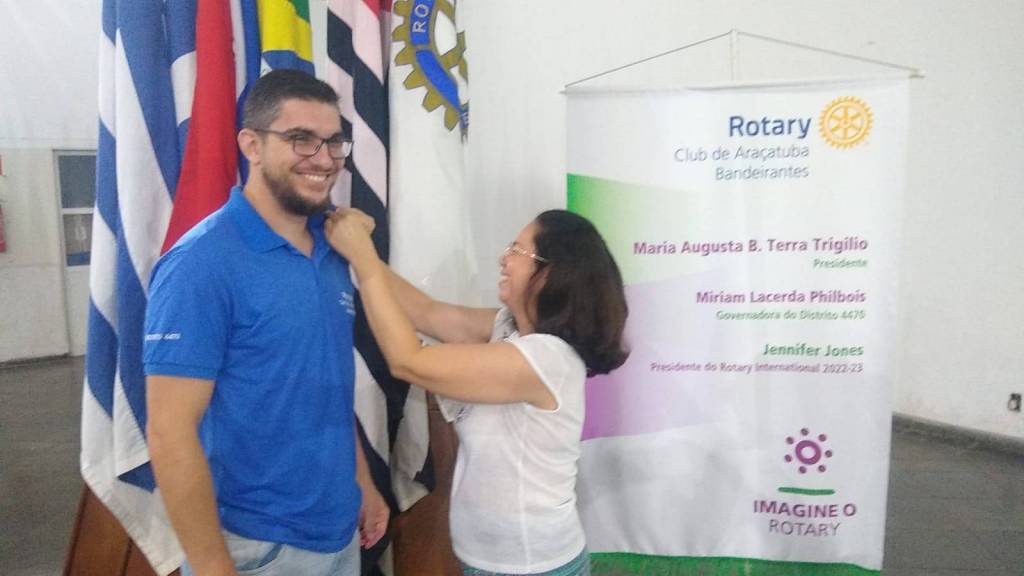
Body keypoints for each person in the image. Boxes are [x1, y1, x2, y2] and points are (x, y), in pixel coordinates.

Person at [144, 69, 388, 576]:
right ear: (251, 145)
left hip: (339, 532)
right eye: (301, 139)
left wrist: (361, 482)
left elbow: (319, 387)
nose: (324, 159)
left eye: (334, 142)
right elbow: (169, 432)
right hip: (256, 550)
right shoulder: (200, 263)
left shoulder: (333, 249)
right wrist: (212, 567)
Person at [326, 207, 629, 576]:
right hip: (487, 561)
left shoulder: (547, 359)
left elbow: (408, 361)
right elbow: (425, 312)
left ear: (548, 274)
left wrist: (362, 258)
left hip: (530, 567)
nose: (504, 259)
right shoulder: (507, 329)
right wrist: (362, 251)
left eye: (518, 250)